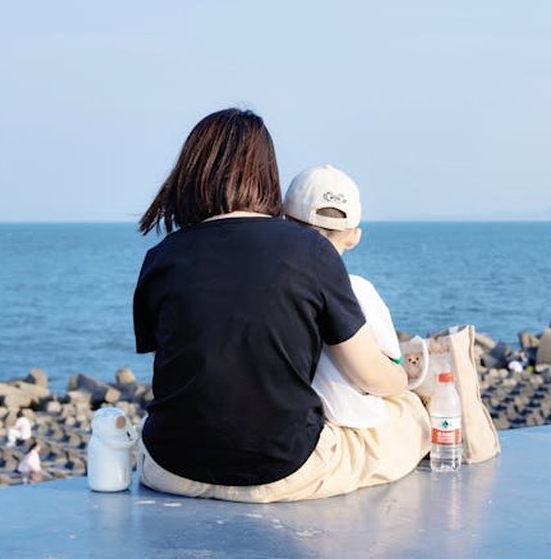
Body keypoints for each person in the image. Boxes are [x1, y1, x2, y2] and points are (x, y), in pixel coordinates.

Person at [133, 109, 429, 503]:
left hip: (168, 468)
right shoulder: (310, 251)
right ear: (266, 172)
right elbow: (370, 376)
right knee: (410, 415)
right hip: (280, 471)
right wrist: (405, 383)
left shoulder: (161, 257)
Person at [282, 165, 403, 429]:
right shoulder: (358, 290)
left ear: (284, 221)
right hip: (339, 424)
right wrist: (405, 378)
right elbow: (377, 374)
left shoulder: (271, 283)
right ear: (354, 236)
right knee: (411, 407)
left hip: (279, 421)